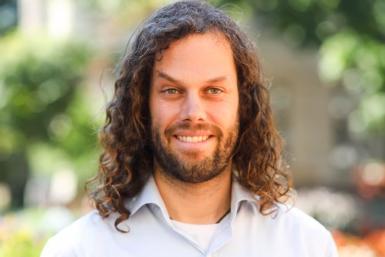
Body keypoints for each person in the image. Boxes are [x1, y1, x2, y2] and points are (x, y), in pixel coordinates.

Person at [41, 1, 339, 256]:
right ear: (141, 105)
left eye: (213, 90)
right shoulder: (78, 250)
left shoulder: (306, 245)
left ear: (243, 104)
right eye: (172, 91)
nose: (193, 113)